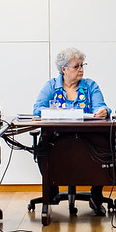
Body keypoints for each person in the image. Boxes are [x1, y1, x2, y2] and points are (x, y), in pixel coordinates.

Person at [33, 47, 110, 216]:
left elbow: (100, 106)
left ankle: (96, 194)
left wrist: (103, 111)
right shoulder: (51, 86)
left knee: (104, 144)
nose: (81, 69)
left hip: (88, 138)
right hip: (58, 138)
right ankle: (52, 189)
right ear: (64, 69)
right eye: (77, 66)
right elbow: (37, 109)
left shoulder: (90, 86)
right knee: (43, 147)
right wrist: (55, 113)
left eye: (82, 65)